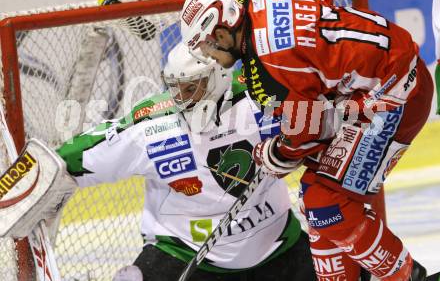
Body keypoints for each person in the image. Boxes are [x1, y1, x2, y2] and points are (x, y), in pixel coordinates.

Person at [179, 0, 433, 280]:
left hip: (394, 96)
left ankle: (408, 276)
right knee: (316, 202)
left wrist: (278, 153)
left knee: (325, 203)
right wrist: (319, 50)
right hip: (386, 68)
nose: (212, 58)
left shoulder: (270, 74)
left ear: (221, 34)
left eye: (208, 48)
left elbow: (307, 136)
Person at [3, 41, 317, 280]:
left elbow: (324, 127)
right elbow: (70, 157)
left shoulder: (259, 102)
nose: (182, 98)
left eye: (192, 88)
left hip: (279, 247)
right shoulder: (153, 128)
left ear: (220, 78)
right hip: (183, 253)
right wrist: (9, 189)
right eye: (176, 88)